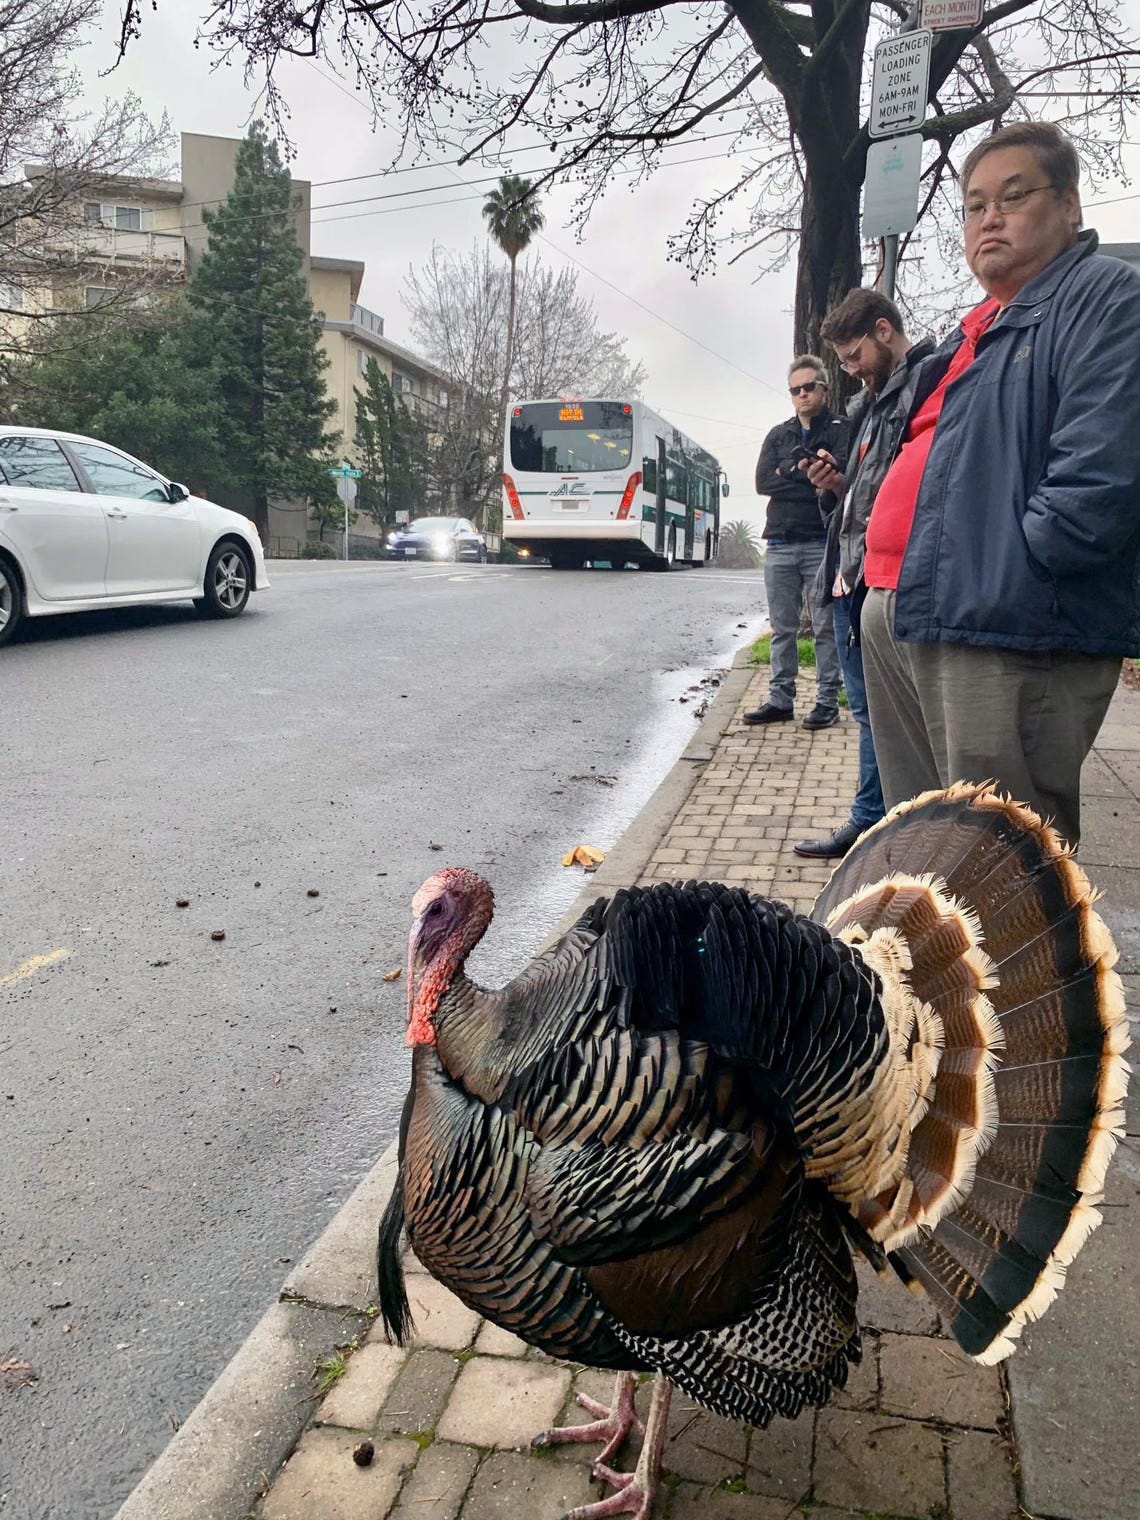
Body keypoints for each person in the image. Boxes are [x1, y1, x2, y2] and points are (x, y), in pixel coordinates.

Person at [860, 121, 1140, 846]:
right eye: (974, 204)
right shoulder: (973, 328)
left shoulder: (1108, 298)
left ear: (1069, 204)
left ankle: (1027, 969)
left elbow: (1100, 477)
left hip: (1003, 623)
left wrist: (1018, 565)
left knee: (1002, 867)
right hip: (908, 608)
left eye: (1012, 196)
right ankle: (925, 968)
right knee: (921, 854)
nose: (989, 217)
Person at [792, 290, 936, 860]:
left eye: (853, 356)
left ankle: (878, 824)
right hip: (853, 570)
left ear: (883, 329)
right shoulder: (874, 403)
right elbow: (863, 499)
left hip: (884, 577)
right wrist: (833, 488)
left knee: (883, 713)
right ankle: (876, 820)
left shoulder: (924, 384)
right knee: (870, 712)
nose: (849, 371)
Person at [745, 356, 849, 729]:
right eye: (795, 390)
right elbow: (762, 483)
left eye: (809, 387)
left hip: (821, 542)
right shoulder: (779, 434)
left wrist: (787, 474)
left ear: (824, 387)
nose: (802, 394)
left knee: (824, 627)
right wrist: (805, 475)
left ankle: (826, 701)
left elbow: (843, 479)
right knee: (782, 627)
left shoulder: (841, 429)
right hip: (779, 543)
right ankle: (780, 698)